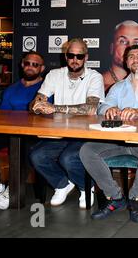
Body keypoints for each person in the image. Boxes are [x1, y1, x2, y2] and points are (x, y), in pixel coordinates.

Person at [80, 44, 138, 223]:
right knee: (87, 151)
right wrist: (109, 109)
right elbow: (102, 106)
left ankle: (135, 199)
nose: (135, 59)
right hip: (118, 141)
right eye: (131, 56)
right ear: (127, 63)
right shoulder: (118, 87)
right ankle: (115, 197)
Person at [29, 38, 105, 208]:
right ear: (65, 56)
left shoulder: (95, 77)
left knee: (69, 158)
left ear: (86, 57)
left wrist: (54, 108)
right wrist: (38, 105)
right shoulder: (55, 75)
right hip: (60, 132)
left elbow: (90, 109)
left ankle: (86, 187)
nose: (75, 60)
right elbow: (37, 100)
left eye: (79, 56)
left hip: (86, 133)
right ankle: (62, 184)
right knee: (37, 156)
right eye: (71, 55)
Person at [0, 51, 45, 209]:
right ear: (22, 65)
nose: (30, 67)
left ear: (42, 68)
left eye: (35, 65)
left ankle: (13, 189)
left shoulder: (46, 88)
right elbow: (2, 114)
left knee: (24, 148)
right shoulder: (12, 89)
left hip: (34, 133)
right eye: (27, 63)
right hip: (9, 131)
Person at [102, 20, 138, 93]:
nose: (130, 48)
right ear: (112, 48)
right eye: (123, 41)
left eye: (137, 43)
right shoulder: (96, 86)